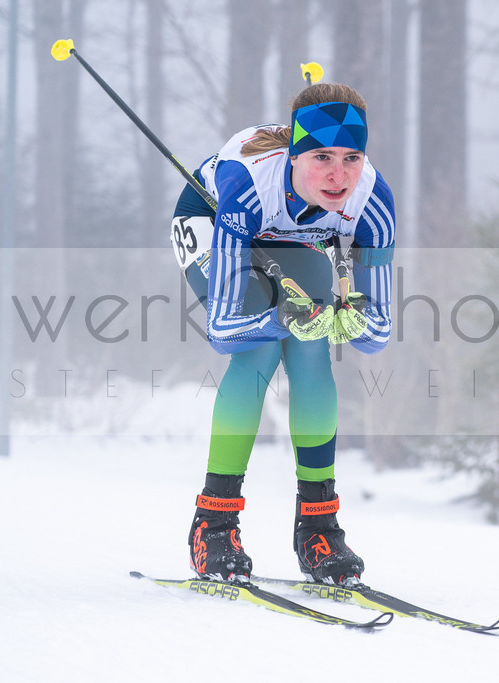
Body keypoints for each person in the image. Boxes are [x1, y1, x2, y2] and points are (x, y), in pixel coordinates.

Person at [169, 82, 395, 586]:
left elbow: (377, 334)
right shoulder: (248, 187)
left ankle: (318, 529)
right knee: (259, 350)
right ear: (295, 156)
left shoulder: (372, 201)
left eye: (352, 158)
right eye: (321, 157)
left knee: (313, 348)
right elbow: (224, 329)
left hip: (293, 234)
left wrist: (352, 320)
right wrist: (282, 318)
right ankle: (214, 524)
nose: (338, 175)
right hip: (213, 219)